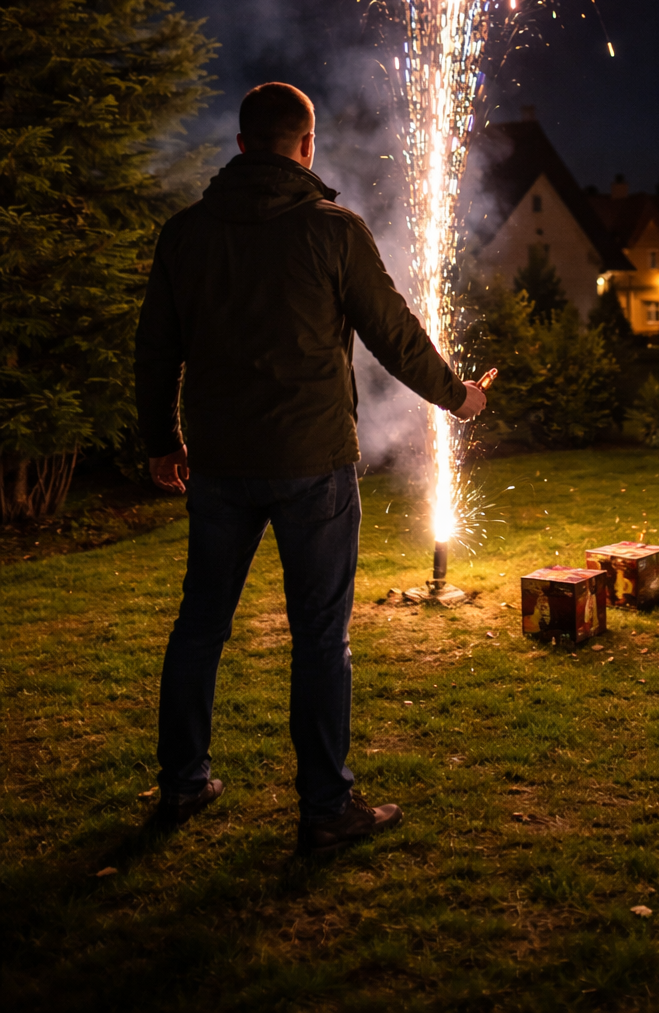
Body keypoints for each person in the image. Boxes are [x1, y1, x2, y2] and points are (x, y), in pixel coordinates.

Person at [135, 82, 486, 856]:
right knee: (320, 638)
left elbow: (157, 349)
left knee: (200, 628)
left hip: (220, 465)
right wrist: (459, 399)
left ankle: (183, 784)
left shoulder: (184, 235)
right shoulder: (335, 231)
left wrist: (160, 440)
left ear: (239, 146)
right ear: (305, 146)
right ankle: (326, 808)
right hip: (314, 466)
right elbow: (394, 336)